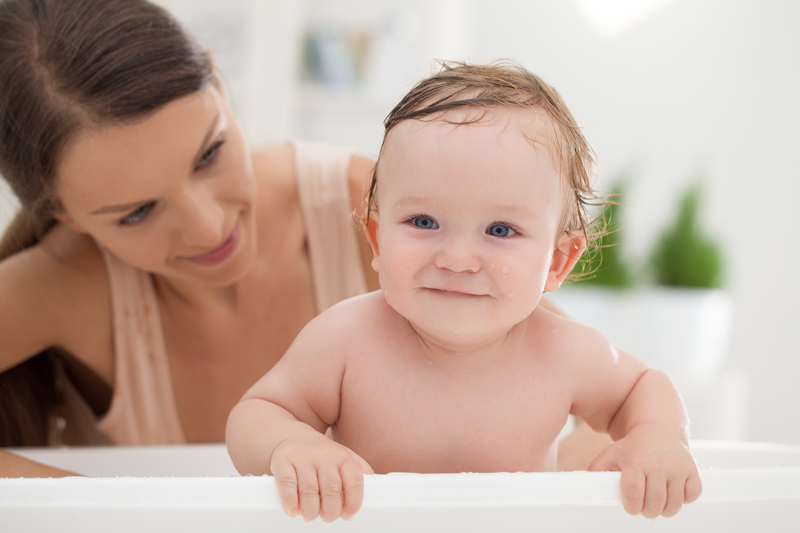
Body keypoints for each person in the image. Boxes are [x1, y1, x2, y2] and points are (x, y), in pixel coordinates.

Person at [0, 0, 603, 476]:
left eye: (209, 153)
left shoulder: (394, 214)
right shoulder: (68, 281)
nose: (210, 227)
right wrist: (102, 508)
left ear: (221, 84)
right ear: (69, 215)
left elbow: (583, 412)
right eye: (135, 213)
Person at [225, 62, 703, 523]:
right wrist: (291, 445)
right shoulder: (345, 340)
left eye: (500, 229)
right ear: (376, 239)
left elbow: (643, 387)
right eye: (423, 222)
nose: (457, 258)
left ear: (557, 261)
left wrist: (658, 437)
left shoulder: (564, 353)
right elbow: (257, 413)